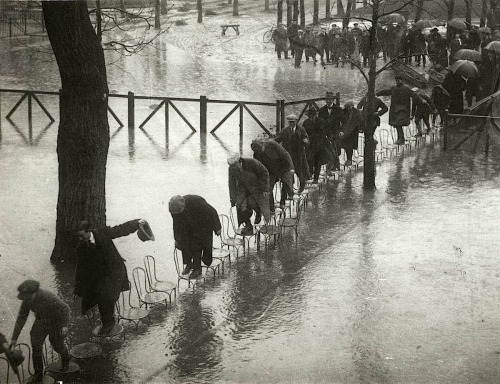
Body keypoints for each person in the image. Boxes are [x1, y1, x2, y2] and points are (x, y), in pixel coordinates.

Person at [74, 218, 147, 335]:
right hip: (100, 275)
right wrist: (78, 289)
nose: (80, 239)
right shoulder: (81, 248)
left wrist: (136, 223)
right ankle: (107, 321)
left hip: (115, 272)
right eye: (78, 237)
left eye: (82, 236)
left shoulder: (103, 233)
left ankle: (109, 323)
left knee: (106, 296)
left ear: (89, 231)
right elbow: (81, 269)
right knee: (98, 295)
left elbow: (121, 229)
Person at [10, 280, 70, 384]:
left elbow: (65, 308)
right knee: (36, 347)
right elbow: (21, 318)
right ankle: (38, 375)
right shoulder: (27, 300)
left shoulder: (48, 296)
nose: (26, 299)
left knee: (57, 345)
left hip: (56, 321)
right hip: (41, 321)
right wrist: (14, 338)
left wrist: (64, 325)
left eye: (28, 296)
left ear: (34, 293)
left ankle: (66, 359)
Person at [169, 195, 221, 279]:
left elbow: (212, 211)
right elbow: (176, 225)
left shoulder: (197, 202)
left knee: (197, 245)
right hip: (189, 225)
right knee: (183, 242)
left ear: (183, 206)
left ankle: (197, 268)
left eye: (179, 212)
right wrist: (177, 239)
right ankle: (189, 264)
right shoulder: (174, 210)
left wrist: (217, 228)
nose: (177, 214)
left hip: (203, 224)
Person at [227, 152, 270, 235]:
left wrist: (265, 188)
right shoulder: (231, 169)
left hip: (256, 186)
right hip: (243, 188)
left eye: (235, 166)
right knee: (240, 205)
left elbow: (264, 172)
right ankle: (248, 225)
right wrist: (233, 199)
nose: (234, 168)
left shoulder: (251, 163)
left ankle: (258, 212)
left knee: (252, 203)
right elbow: (231, 183)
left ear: (240, 161)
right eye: (232, 166)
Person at [377, 75, 424, 145]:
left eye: (399, 80)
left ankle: (401, 139)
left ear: (402, 80)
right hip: (395, 109)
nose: (398, 81)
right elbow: (387, 92)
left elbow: (414, 95)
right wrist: (378, 93)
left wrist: (421, 100)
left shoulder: (406, 88)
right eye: (396, 80)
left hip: (403, 109)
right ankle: (400, 138)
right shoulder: (394, 88)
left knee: (398, 124)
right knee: (396, 125)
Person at [251, 138, 295, 211]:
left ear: (263, 144)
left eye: (261, 149)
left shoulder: (273, 144)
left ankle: (282, 202)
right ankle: (271, 209)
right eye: (258, 151)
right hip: (270, 170)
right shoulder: (256, 154)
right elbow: (258, 167)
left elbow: (285, 155)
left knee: (287, 183)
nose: (261, 151)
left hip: (283, 165)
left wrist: (291, 168)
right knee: (268, 188)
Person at [275, 114, 310, 194]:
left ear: (296, 122)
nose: (292, 124)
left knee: (300, 172)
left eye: (293, 122)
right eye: (290, 122)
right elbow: (277, 139)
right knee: (288, 173)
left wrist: (306, 142)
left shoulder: (301, 129)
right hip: (288, 155)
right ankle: (290, 191)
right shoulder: (284, 130)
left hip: (299, 154)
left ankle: (302, 185)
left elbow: (307, 140)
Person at [318, 91, 343, 171]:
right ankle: (331, 165)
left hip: (336, 131)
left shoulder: (338, 109)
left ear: (333, 100)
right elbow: (319, 123)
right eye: (327, 99)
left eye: (330, 99)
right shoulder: (321, 110)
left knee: (336, 148)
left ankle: (335, 165)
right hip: (326, 132)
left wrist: (341, 131)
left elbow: (343, 121)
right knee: (328, 149)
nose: (328, 101)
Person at [302, 107, 329, 183]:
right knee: (309, 160)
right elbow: (304, 133)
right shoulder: (305, 122)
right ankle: (310, 174)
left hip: (319, 145)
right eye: (310, 116)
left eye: (313, 115)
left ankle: (316, 178)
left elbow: (323, 134)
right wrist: (305, 140)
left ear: (315, 115)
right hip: (310, 145)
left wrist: (318, 142)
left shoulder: (321, 122)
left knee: (318, 162)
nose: (311, 117)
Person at [340, 100, 363, 166]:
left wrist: (360, 128)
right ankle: (348, 159)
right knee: (346, 146)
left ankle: (349, 160)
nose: (349, 108)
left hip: (353, 132)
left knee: (350, 146)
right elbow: (340, 120)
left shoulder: (356, 112)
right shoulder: (343, 111)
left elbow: (361, 120)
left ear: (352, 106)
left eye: (350, 106)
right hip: (345, 131)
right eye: (347, 107)